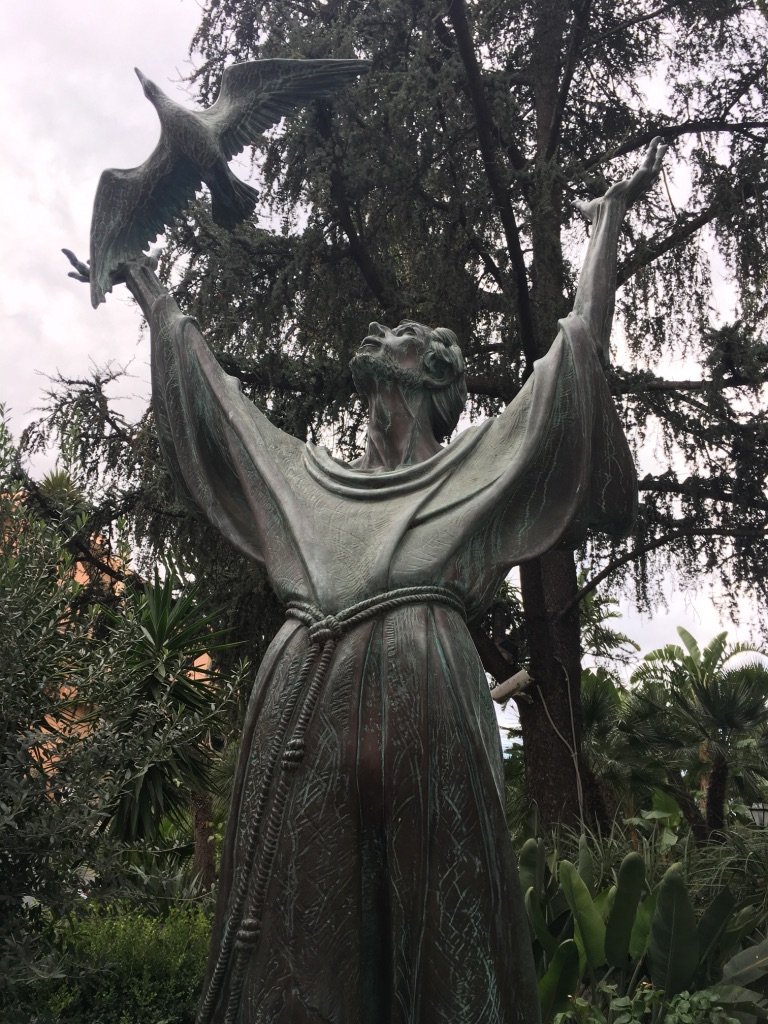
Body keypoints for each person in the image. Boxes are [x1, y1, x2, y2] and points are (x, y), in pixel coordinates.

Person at [66, 138, 665, 1024]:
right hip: (302, 716)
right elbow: (223, 408)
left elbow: (575, 355)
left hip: (428, 712)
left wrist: (606, 222)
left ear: (427, 388)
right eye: (372, 381)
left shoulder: (476, 468)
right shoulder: (308, 483)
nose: (375, 390)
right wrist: (150, 290)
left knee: (447, 954)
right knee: (299, 958)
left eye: (394, 374)